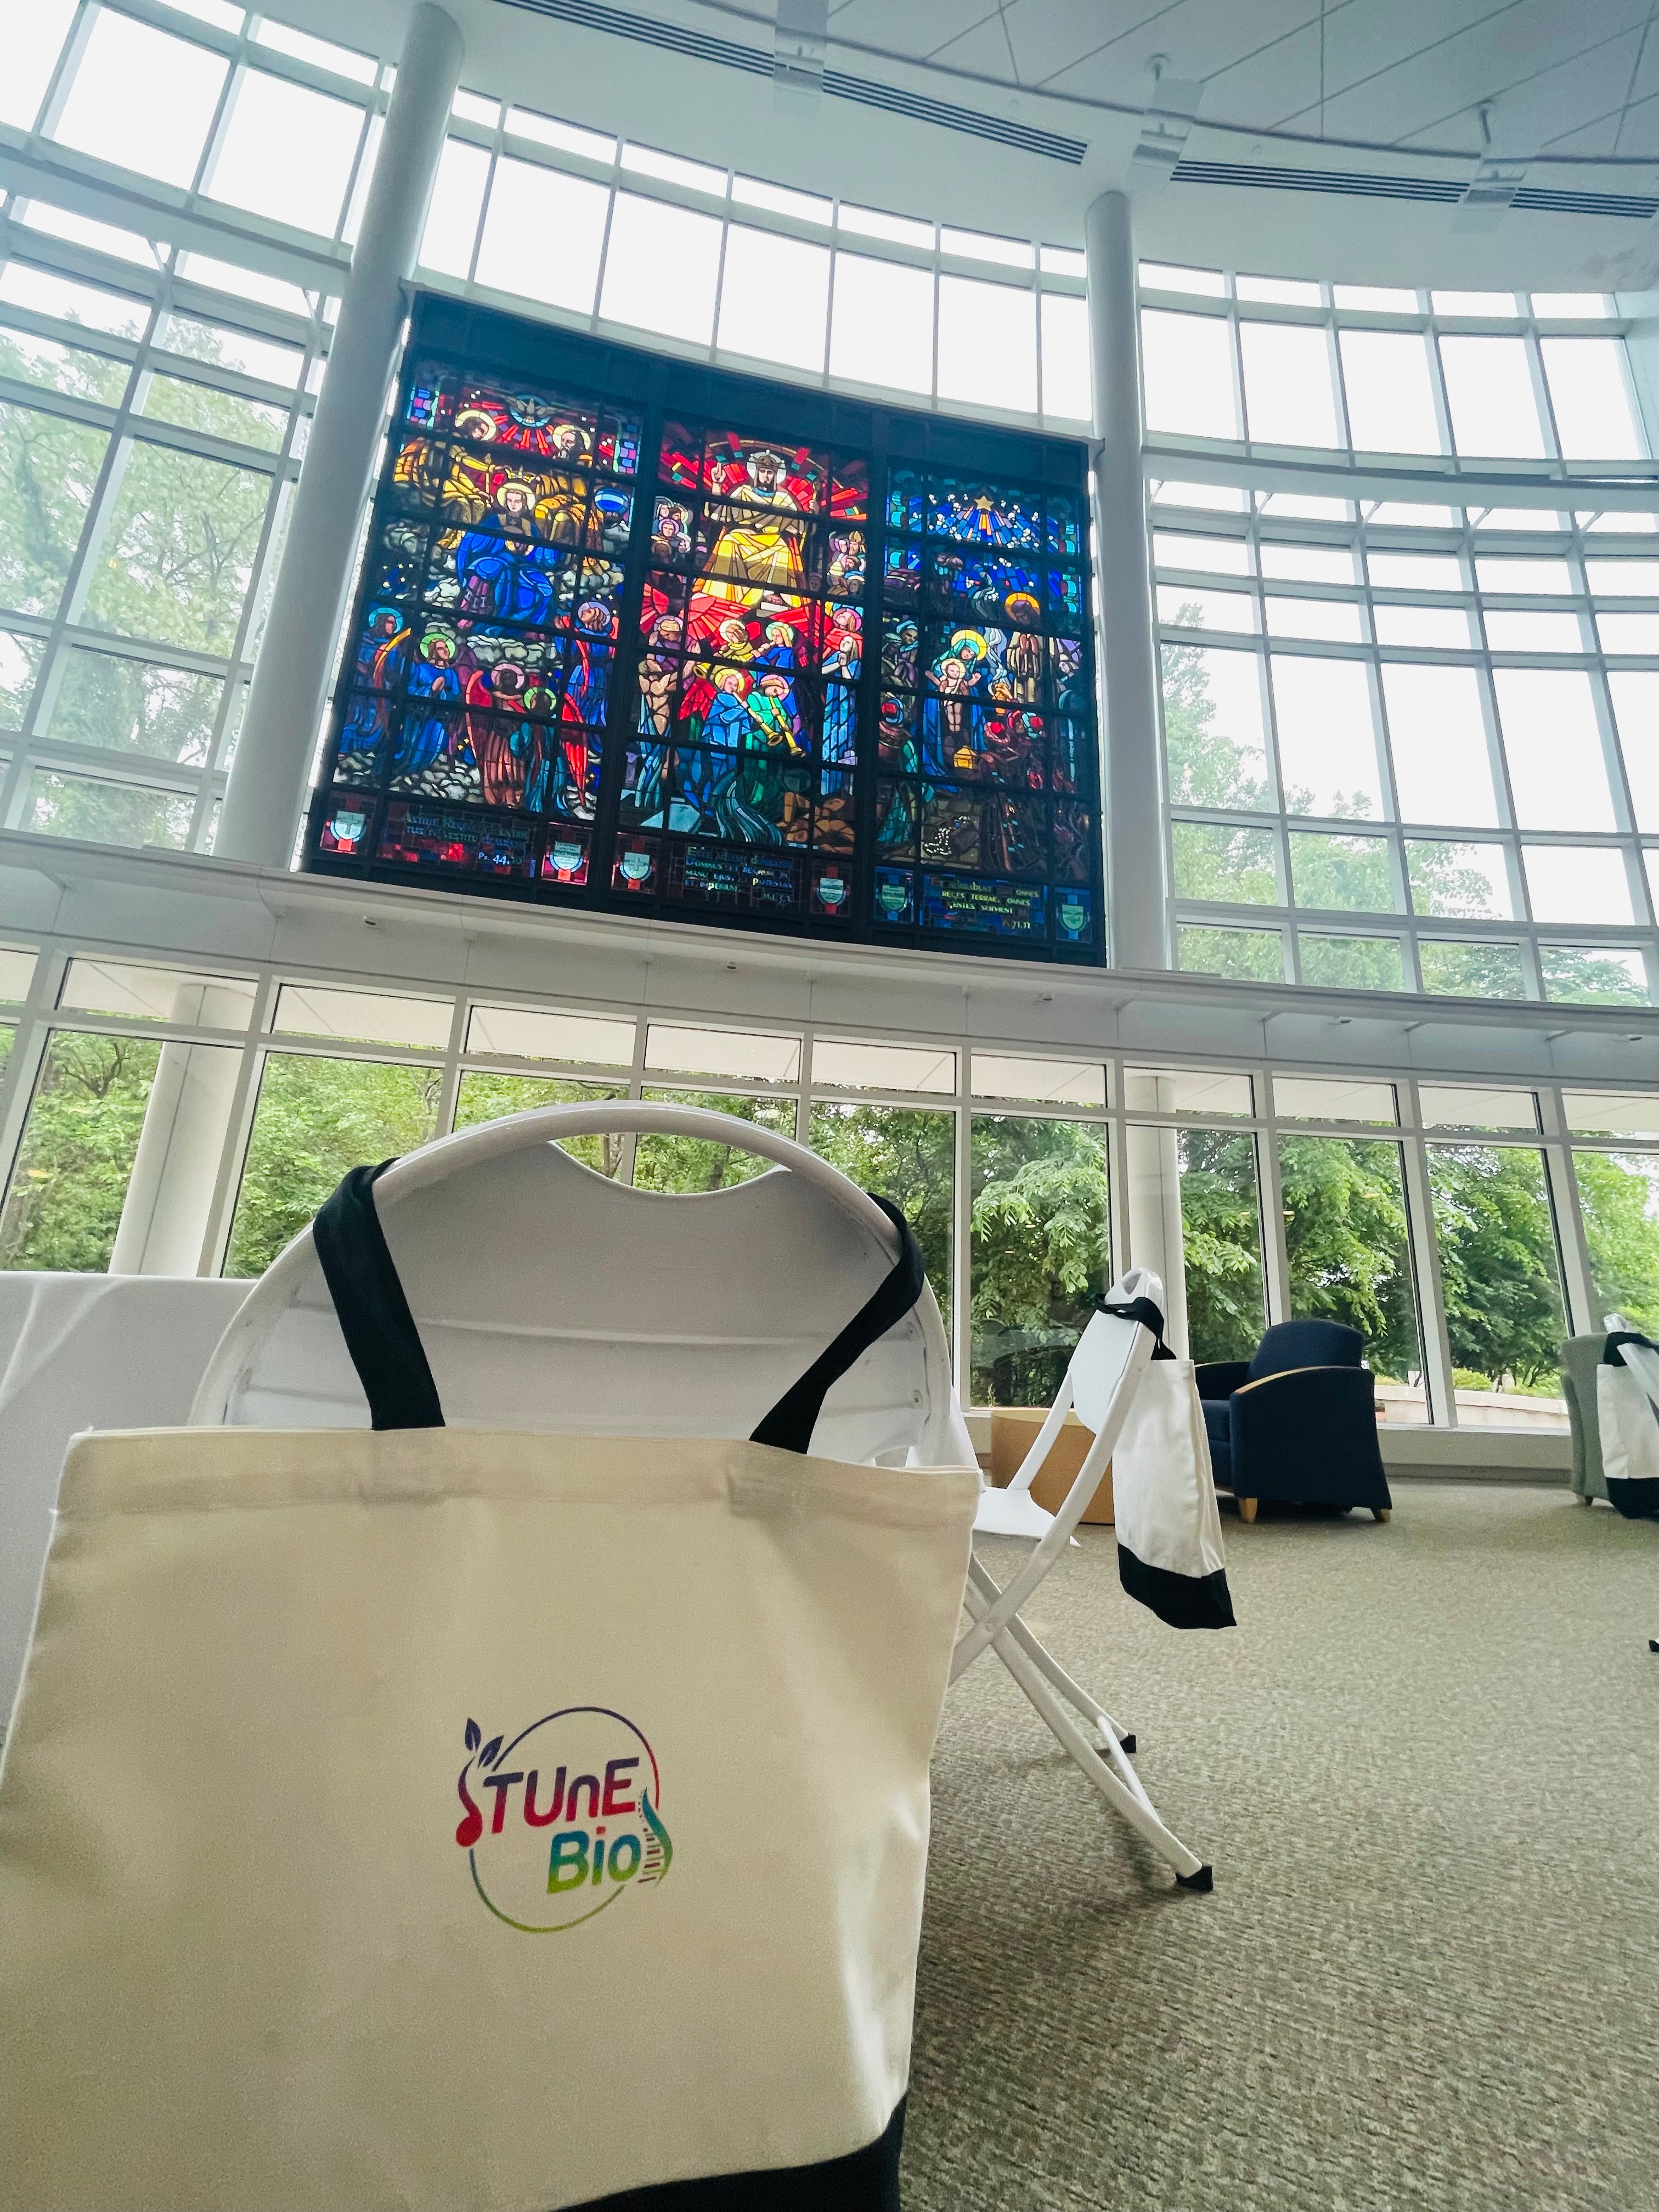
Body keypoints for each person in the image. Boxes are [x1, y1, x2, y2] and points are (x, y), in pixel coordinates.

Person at [702, 449, 805, 605]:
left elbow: (801, 528)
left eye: (770, 472)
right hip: (742, 536)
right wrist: (717, 485)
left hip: (771, 540)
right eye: (762, 471)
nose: (766, 475)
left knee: (782, 549)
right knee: (729, 541)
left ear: (775, 475)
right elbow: (719, 513)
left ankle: (771, 591)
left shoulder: (784, 500)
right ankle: (722, 592)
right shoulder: (743, 492)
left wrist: (813, 514)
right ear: (756, 473)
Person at [395, 627, 464, 777]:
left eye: (446, 647)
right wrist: (429, 691)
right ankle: (406, 768)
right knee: (413, 744)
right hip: (417, 716)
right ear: (433, 651)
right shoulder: (422, 669)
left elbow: (456, 696)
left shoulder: (451, 673)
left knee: (434, 745)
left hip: (438, 716)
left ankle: (424, 770)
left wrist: (442, 694)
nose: (445, 650)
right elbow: (410, 688)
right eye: (441, 648)